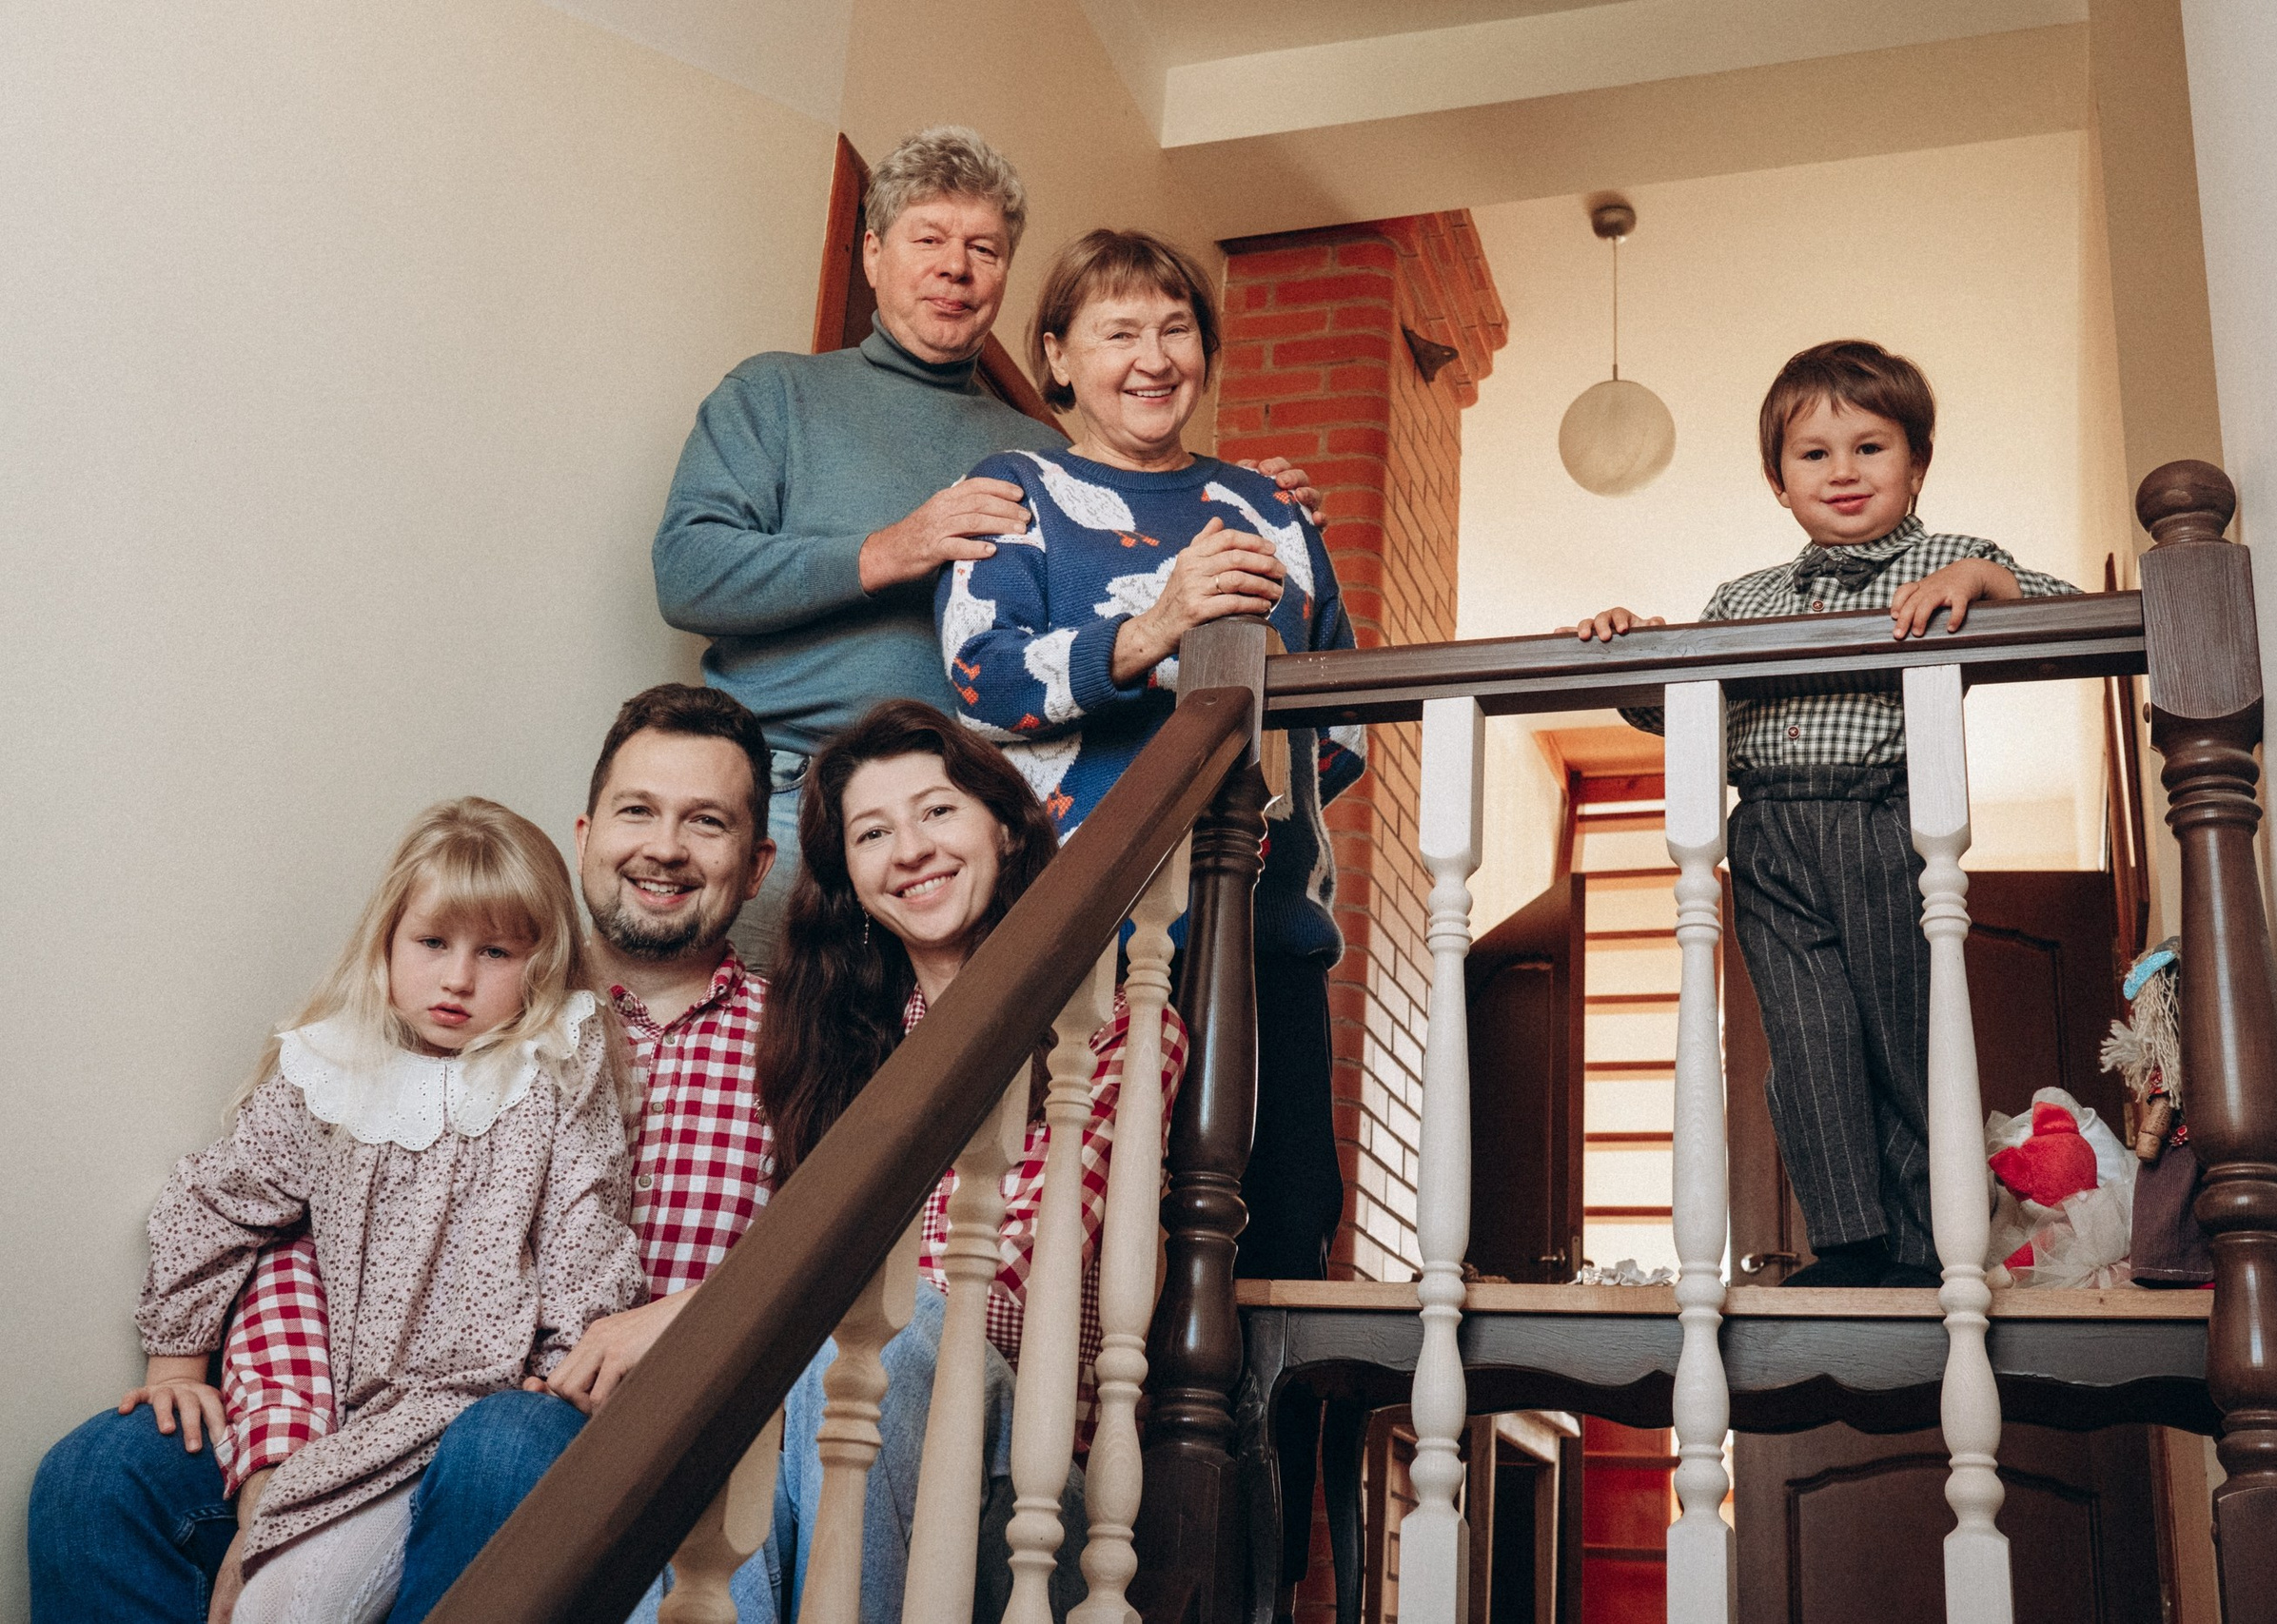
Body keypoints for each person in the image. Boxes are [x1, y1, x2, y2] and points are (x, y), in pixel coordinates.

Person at [28, 685, 780, 1624]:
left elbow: (620, 1243)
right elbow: (264, 1210)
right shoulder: (386, 1046)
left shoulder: (791, 1039)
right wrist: (218, 1386)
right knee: (92, 1474)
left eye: (704, 822)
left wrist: (637, 1329)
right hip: (337, 1404)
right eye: (638, 811)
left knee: (505, 1440)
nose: (663, 845)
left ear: (756, 867)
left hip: (550, 1419)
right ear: (586, 834)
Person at [652, 126, 1319, 972]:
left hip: (962, 816)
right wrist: (894, 548)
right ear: (872, 254)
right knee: (748, 1076)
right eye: (928, 240)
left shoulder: (1043, 451)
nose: (955, 268)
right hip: (787, 791)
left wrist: (1247, 496)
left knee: (926, 1090)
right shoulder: (777, 394)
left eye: (985, 249)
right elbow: (687, 570)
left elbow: (1130, 583)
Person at [1575, 339, 2078, 1287]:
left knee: (1903, 1042)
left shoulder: (1946, 558)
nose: (1842, 472)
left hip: (1879, 826)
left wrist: (1980, 586)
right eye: (1813, 454)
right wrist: (1625, 652)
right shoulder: (1743, 598)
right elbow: (1684, 715)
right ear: (1778, 482)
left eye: (1870, 448)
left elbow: (2063, 606)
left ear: (1915, 463)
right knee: (1807, 1053)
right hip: (1766, 835)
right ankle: (1851, 1246)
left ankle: (1937, 1238)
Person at [937, 227, 1365, 1286]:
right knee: (1093, 1223)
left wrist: (1260, 804)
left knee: (1290, 1207)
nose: (1152, 357)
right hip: (1080, 925)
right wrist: (1151, 630)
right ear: (1057, 358)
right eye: (1118, 331)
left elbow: (1341, 721)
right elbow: (978, 682)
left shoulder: (1271, 509)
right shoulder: (1017, 490)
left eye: (1176, 329)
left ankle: (1255, 1461)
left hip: (1265, 922)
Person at [752, 698, 1187, 1622]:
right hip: (847, 1460)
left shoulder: (1111, 1024)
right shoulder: (838, 1052)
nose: (909, 848)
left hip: (1024, 1494)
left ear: (1002, 821)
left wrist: (824, 1295)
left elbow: (1008, 1284)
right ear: (849, 884)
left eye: (936, 810)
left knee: (893, 1341)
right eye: (872, 833)